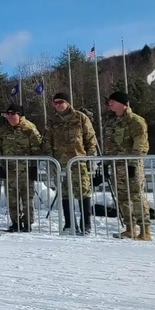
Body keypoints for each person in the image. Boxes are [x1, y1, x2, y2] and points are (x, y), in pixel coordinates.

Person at [42, 91, 97, 234]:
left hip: (79, 162)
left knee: (83, 192)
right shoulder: (52, 120)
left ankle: (86, 224)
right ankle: (69, 224)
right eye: (55, 102)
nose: (58, 105)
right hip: (60, 164)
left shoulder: (80, 117)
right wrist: (50, 161)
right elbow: (46, 141)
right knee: (65, 193)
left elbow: (90, 139)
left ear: (68, 103)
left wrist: (91, 158)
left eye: (61, 102)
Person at [103, 91, 151, 240]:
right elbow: (109, 145)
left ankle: (145, 231)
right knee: (122, 198)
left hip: (131, 167)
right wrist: (105, 163)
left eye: (113, 101)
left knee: (136, 196)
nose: (109, 103)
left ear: (123, 103)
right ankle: (130, 228)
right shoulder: (112, 122)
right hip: (116, 167)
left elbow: (141, 144)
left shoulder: (136, 121)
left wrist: (132, 164)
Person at [0, 104, 42, 232]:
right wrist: (0, 166)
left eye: (12, 113)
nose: (9, 116)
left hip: (26, 171)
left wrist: (35, 167)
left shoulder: (29, 129)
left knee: (27, 199)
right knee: (12, 199)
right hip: (9, 172)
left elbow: (37, 148)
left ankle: (28, 222)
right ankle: (15, 222)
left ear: (19, 115)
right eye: (7, 113)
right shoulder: (2, 131)